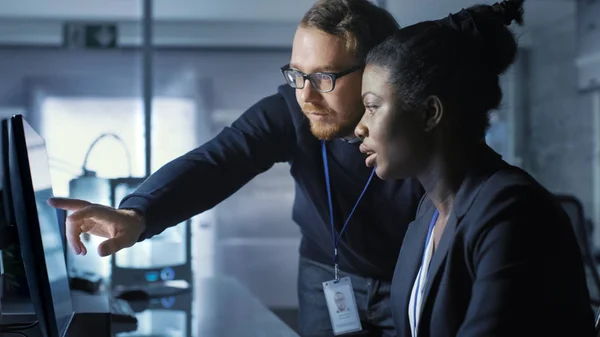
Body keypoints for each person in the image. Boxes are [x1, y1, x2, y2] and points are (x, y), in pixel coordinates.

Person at [47, 0, 425, 336]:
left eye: (324, 78)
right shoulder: (292, 111)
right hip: (328, 273)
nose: (306, 96)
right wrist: (137, 212)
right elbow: (218, 161)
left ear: (376, 73)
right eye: (297, 75)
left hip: (412, 276)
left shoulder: (424, 128)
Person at [354, 1, 597, 336]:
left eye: (371, 107)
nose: (359, 128)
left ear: (429, 113)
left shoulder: (513, 212)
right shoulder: (428, 211)